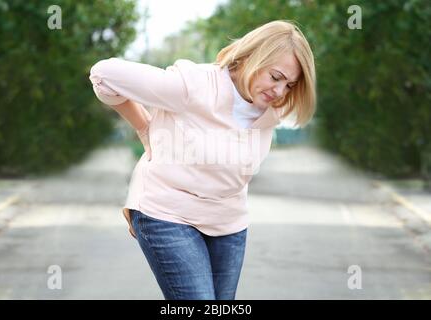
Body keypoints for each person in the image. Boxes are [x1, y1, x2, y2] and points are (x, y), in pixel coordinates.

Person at [89, 20, 316, 300]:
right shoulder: (193, 85)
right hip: (167, 212)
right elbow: (103, 75)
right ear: (252, 57)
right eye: (275, 77)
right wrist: (144, 127)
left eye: (289, 84)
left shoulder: (271, 110)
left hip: (228, 222)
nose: (280, 91)